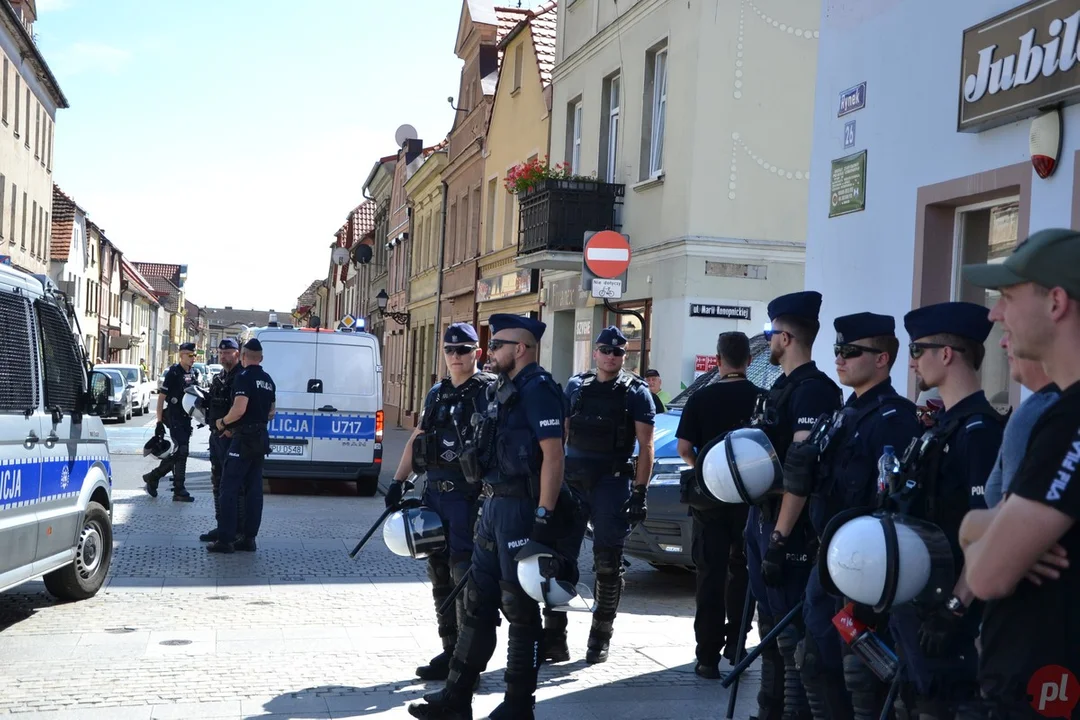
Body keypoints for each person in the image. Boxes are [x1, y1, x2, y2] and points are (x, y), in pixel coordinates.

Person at [408, 313, 577, 720]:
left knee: (518, 606)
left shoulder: (538, 390)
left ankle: (519, 705)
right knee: (478, 600)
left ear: (520, 349)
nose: (492, 350)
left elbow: (554, 455)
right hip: (493, 507)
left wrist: (542, 518)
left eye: (498, 344)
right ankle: (456, 698)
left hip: (521, 509)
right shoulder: (506, 390)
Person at [955, 228, 1080, 717]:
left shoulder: (1071, 420)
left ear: (1055, 302)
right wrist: (987, 526)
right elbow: (991, 524)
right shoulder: (1060, 414)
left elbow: (987, 575)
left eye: (1007, 296)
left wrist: (983, 530)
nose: (994, 314)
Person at [784, 313, 921, 720]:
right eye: (837, 351)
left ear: (882, 359)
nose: (840, 359)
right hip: (828, 561)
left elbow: (893, 505)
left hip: (866, 571)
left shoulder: (895, 420)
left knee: (861, 680)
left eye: (850, 351)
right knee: (816, 665)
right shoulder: (843, 417)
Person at [876, 301, 1004, 719]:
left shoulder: (978, 432)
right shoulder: (940, 428)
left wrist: (956, 606)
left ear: (946, 354)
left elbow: (989, 533)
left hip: (952, 618)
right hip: (920, 608)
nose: (911, 363)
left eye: (916, 351)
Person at [747, 290, 843, 720]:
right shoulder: (781, 388)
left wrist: (780, 540)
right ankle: (769, 710)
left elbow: (800, 474)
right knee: (769, 627)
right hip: (763, 517)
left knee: (792, 637)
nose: (768, 342)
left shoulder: (814, 392)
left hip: (792, 527)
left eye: (770, 334)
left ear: (785, 337)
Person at [387, 323, 495, 681]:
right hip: (435, 496)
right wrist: (398, 481)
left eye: (463, 350)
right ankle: (449, 653)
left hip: (470, 499)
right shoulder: (437, 393)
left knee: (466, 579)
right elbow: (418, 438)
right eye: (449, 350)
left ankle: (467, 664)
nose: (455, 357)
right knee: (439, 575)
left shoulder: (489, 393)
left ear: (476, 353)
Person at [545, 325, 655, 665]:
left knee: (607, 565)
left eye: (618, 352)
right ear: (595, 353)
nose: (611, 356)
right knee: (559, 562)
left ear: (625, 356)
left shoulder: (636, 392)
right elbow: (559, 439)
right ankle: (554, 639)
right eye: (606, 350)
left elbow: (646, 446)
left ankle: (599, 638)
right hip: (574, 484)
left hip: (611, 485)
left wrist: (639, 493)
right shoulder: (576, 386)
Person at [675, 331, 761, 679]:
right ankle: (738, 647)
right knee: (744, 572)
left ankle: (706, 656)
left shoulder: (701, 398)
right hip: (750, 501)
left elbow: (684, 448)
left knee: (709, 575)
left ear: (718, 359)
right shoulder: (762, 398)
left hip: (710, 501)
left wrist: (707, 472)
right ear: (749, 361)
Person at [207, 338, 276, 554]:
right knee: (254, 490)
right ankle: (249, 538)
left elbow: (239, 409)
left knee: (229, 487)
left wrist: (222, 422)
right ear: (261, 358)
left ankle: (225, 539)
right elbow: (272, 411)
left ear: (244, 356)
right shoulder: (268, 380)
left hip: (243, 438)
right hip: (260, 437)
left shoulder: (243, 378)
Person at [982, 331, 1060, 508]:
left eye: (1011, 332)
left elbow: (1014, 518)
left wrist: (970, 527)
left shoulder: (1034, 412)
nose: (1002, 342)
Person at [199, 338, 244, 543]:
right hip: (216, 436)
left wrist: (230, 429)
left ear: (237, 353)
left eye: (228, 352)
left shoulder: (241, 377)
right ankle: (222, 525)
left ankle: (236, 529)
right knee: (217, 482)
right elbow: (212, 404)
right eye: (221, 352)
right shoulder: (219, 378)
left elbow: (242, 409)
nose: (223, 356)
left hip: (232, 438)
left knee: (234, 486)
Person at [143, 342, 199, 502]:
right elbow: (161, 398)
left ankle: (156, 479)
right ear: (181, 355)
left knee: (180, 453)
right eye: (190, 355)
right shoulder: (174, 372)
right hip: (174, 417)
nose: (193, 358)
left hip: (186, 418)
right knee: (181, 452)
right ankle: (177, 488)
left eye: (194, 355)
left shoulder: (192, 373)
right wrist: (159, 422)